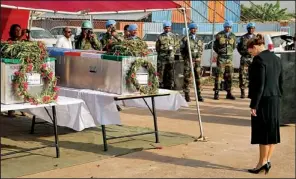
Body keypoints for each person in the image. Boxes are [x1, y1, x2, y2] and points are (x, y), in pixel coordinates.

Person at [247, 34, 283, 174]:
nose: (251, 54)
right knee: (272, 131)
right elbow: (281, 81)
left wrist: (254, 104)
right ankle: (267, 160)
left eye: (251, 51)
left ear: (255, 47)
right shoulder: (276, 58)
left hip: (263, 99)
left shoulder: (258, 60)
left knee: (262, 132)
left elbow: (259, 85)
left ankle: (261, 163)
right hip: (275, 98)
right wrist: (279, 96)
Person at [6, 24, 29, 117]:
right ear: (12, 32)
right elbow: (15, 47)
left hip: (21, 68)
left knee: (22, 88)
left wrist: (27, 36)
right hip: (11, 69)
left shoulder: (23, 40)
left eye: (20, 30)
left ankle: (22, 109)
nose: (18, 31)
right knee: (12, 88)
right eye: (16, 30)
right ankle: (10, 110)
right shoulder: (9, 41)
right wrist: (21, 36)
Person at [180, 23, 204, 102]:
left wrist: (199, 56)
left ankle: (199, 94)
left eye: (195, 28)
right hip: (188, 61)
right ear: (190, 29)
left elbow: (201, 49)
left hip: (197, 62)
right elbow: (182, 50)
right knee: (187, 78)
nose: (194, 30)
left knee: (198, 78)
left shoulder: (199, 39)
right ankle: (187, 95)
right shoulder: (185, 39)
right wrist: (186, 58)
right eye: (193, 29)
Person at [213, 20, 236, 100]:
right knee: (219, 76)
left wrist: (228, 53)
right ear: (224, 27)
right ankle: (216, 92)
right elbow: (215, 46)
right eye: (226, 27)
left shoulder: (233, 36)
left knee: (229, 76)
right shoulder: (219, 35)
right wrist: (220, 53)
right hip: (221, 59)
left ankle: (229, 93)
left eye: (229, 27)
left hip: (229, 59)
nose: (228, 29)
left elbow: (233, 47)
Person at [155, 21, 177, 90]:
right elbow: (157, 47)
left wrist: (173, 51)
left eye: (169, 28)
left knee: (170, 71)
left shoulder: (173, 36)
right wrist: (162, 52)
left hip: (171, 57)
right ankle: (161, 84)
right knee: (161, 71)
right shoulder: (160, 36)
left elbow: (176, 45)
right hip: (162, 57)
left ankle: (170, 84)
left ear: (170, 28)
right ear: (164, 28)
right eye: (166, 28)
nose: (167, 29)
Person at [237, 22, 256, 98]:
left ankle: (251, 92)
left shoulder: (256, 38)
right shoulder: (242, 38)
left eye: (252, 28)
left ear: (254, 29)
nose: (251, 30)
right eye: (249, 28)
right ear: (247, 29)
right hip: (244, 58)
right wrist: (243, 53)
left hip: (253, 59)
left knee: (253, 75)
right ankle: (242, 92)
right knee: (242, 75)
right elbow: (238, 47)